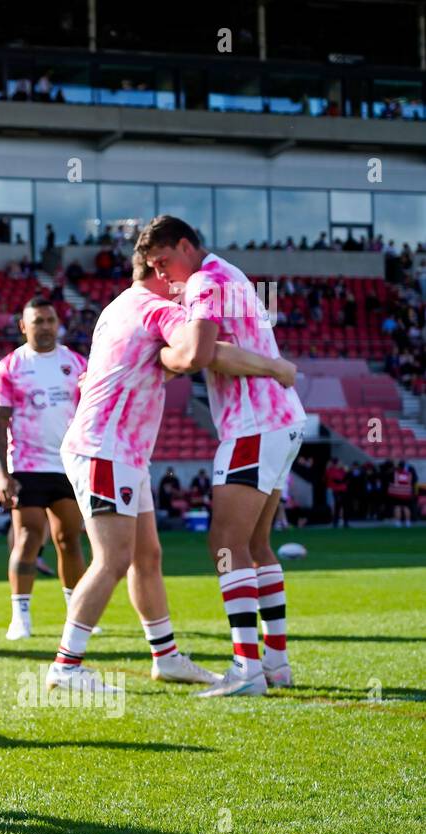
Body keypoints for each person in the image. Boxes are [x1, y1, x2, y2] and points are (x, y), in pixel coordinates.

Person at [54, 255, 292, 693]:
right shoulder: (156, 307)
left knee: (147, 557)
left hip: (122, 450)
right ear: (159, 270)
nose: (187, 287)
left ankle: (165, 656)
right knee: (113, 558)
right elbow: (198, 354)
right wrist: (274, 365)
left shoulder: (116, 308)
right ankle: (66, 665)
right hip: (107, 448)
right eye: (178, 278)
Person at [140, 214, 307, 696]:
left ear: (187, 247)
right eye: (154, 266)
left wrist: (161, 359)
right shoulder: (227, 273)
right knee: (256, 546)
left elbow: (197, 353)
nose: (164, 274)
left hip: (254, 423)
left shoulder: (205, 281)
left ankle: (246, 668)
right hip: (280, 419)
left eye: (165, 261)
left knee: (226, 544)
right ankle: (275, 663)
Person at [0, 298, 88, 641]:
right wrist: (2, 474)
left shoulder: (76, 364)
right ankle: (21, 617)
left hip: (69, 466)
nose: (45, 326)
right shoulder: (9, 367)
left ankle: (77, 616)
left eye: (50, 320)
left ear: (58, 322)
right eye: (37, 321)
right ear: (23, 326)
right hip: (27, 466)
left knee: (69, 539)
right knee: (29, 536)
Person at [388, 459, 416, 526]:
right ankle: (408, 522)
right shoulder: (409, 474)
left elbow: (389, 481)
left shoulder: (395, 473)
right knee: (406, 508)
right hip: (406, 494)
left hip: (396, 494)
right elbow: (413, 482)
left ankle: (398, 522)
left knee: (397, 507)